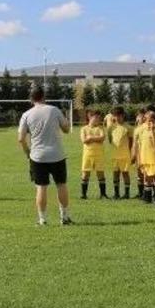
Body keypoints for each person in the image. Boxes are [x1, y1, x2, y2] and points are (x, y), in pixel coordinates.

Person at [18, 87, 73, 226]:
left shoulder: (26, 114)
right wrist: (65, 121)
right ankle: (65, 217)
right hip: (57, 154)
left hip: (38, 156)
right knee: (61, 185)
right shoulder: (54, 110)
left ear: (31, 99)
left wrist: (27, 153)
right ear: (44, 97)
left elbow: (21, 138)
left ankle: (42, 219)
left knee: (41, 187)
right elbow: (66, 129)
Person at [132, 111, 155, 205]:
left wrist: (152, 130)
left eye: (151, 118)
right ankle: (147, 198)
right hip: (144, 156)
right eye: (147, 117)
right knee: (146, 177)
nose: (148, 119)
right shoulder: (140, 129)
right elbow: (137, 144)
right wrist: (136, 156)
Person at [80, 110, 108, 199]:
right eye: (96, 118)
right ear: (90, 117)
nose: (98, 120)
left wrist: (91, 138)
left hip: (99, 154)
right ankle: (83, 194)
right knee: (85, 174)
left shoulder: (100, 128)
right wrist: (96, 139)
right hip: (88, 155)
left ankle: (103, 194)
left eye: (99, 118)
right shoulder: (84, 129)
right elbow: (84, 140)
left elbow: (102, 138)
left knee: (100, 173)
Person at [107, 106, 133, 199]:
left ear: (123, 115)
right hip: (114, 155)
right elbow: (110, 140)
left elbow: (131, 142)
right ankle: (116, 193)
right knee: (115, 173)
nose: (117, 118)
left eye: (119, 115)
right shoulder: (111, 128)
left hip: (125, 155)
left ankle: (127, 194)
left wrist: (130, 153)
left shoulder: (128, 127)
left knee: (125, 173)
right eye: (115, 116)